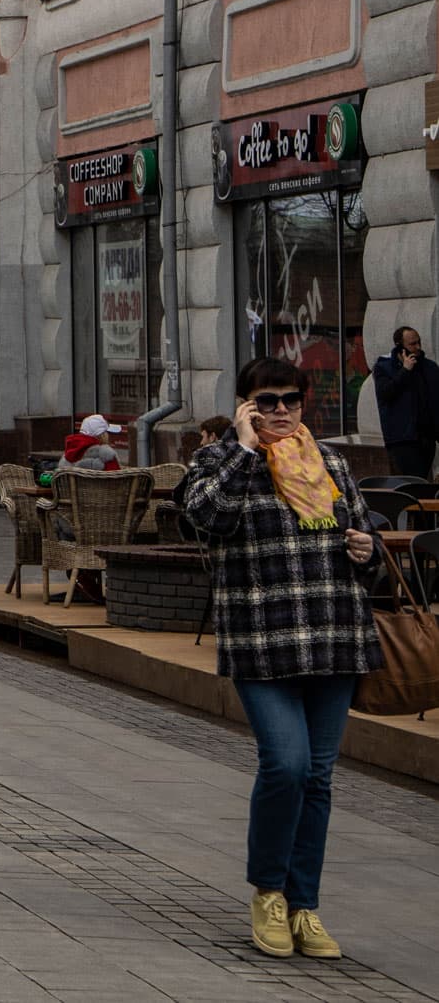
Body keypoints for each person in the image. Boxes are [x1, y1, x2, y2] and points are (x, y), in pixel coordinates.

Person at [181, 358, 383, 962]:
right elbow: (207, 520)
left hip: (334, 639)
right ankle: (268, 893)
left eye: (289, 400)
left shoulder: (332, 463)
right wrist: (243, 449)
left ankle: (305, 906)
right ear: (243, 405)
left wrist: (365, 548)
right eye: (265, 401)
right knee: (287, 766)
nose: (279, 412)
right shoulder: (216, 463)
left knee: (318, 778)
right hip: (262, 643)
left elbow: (362, 547)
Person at [371, 327, 439, 482]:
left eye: (419, 342)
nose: (418, 348)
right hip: (402, 438)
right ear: (399, 346)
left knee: (422, 479)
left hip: (426, 437)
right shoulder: (384, 367)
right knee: (412, 480)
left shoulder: (429, 367)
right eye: (412, 344)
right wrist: (405, 371)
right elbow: (385, 393)